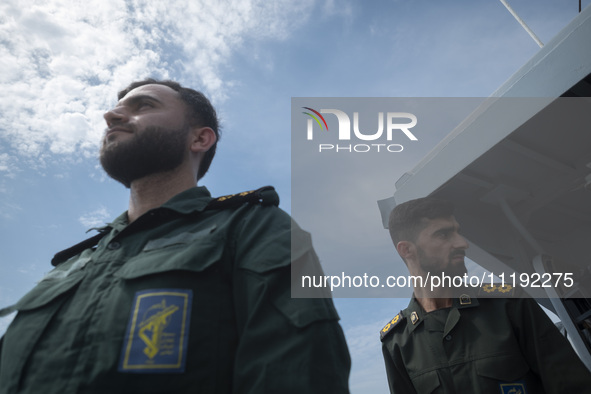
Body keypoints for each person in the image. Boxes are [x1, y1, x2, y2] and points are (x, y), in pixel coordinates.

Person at [0, 79, 351, 393]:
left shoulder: (253, 227)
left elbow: (301, 374)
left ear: (199, 138)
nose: (111, 115)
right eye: (116, 108)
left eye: (143, 106)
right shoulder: (71, 263)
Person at [380, 197, 591, 394]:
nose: (462, 243)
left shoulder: (509, 304)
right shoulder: (397, 342)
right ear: (406, 250)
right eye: (443, 235)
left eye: (458, 232)